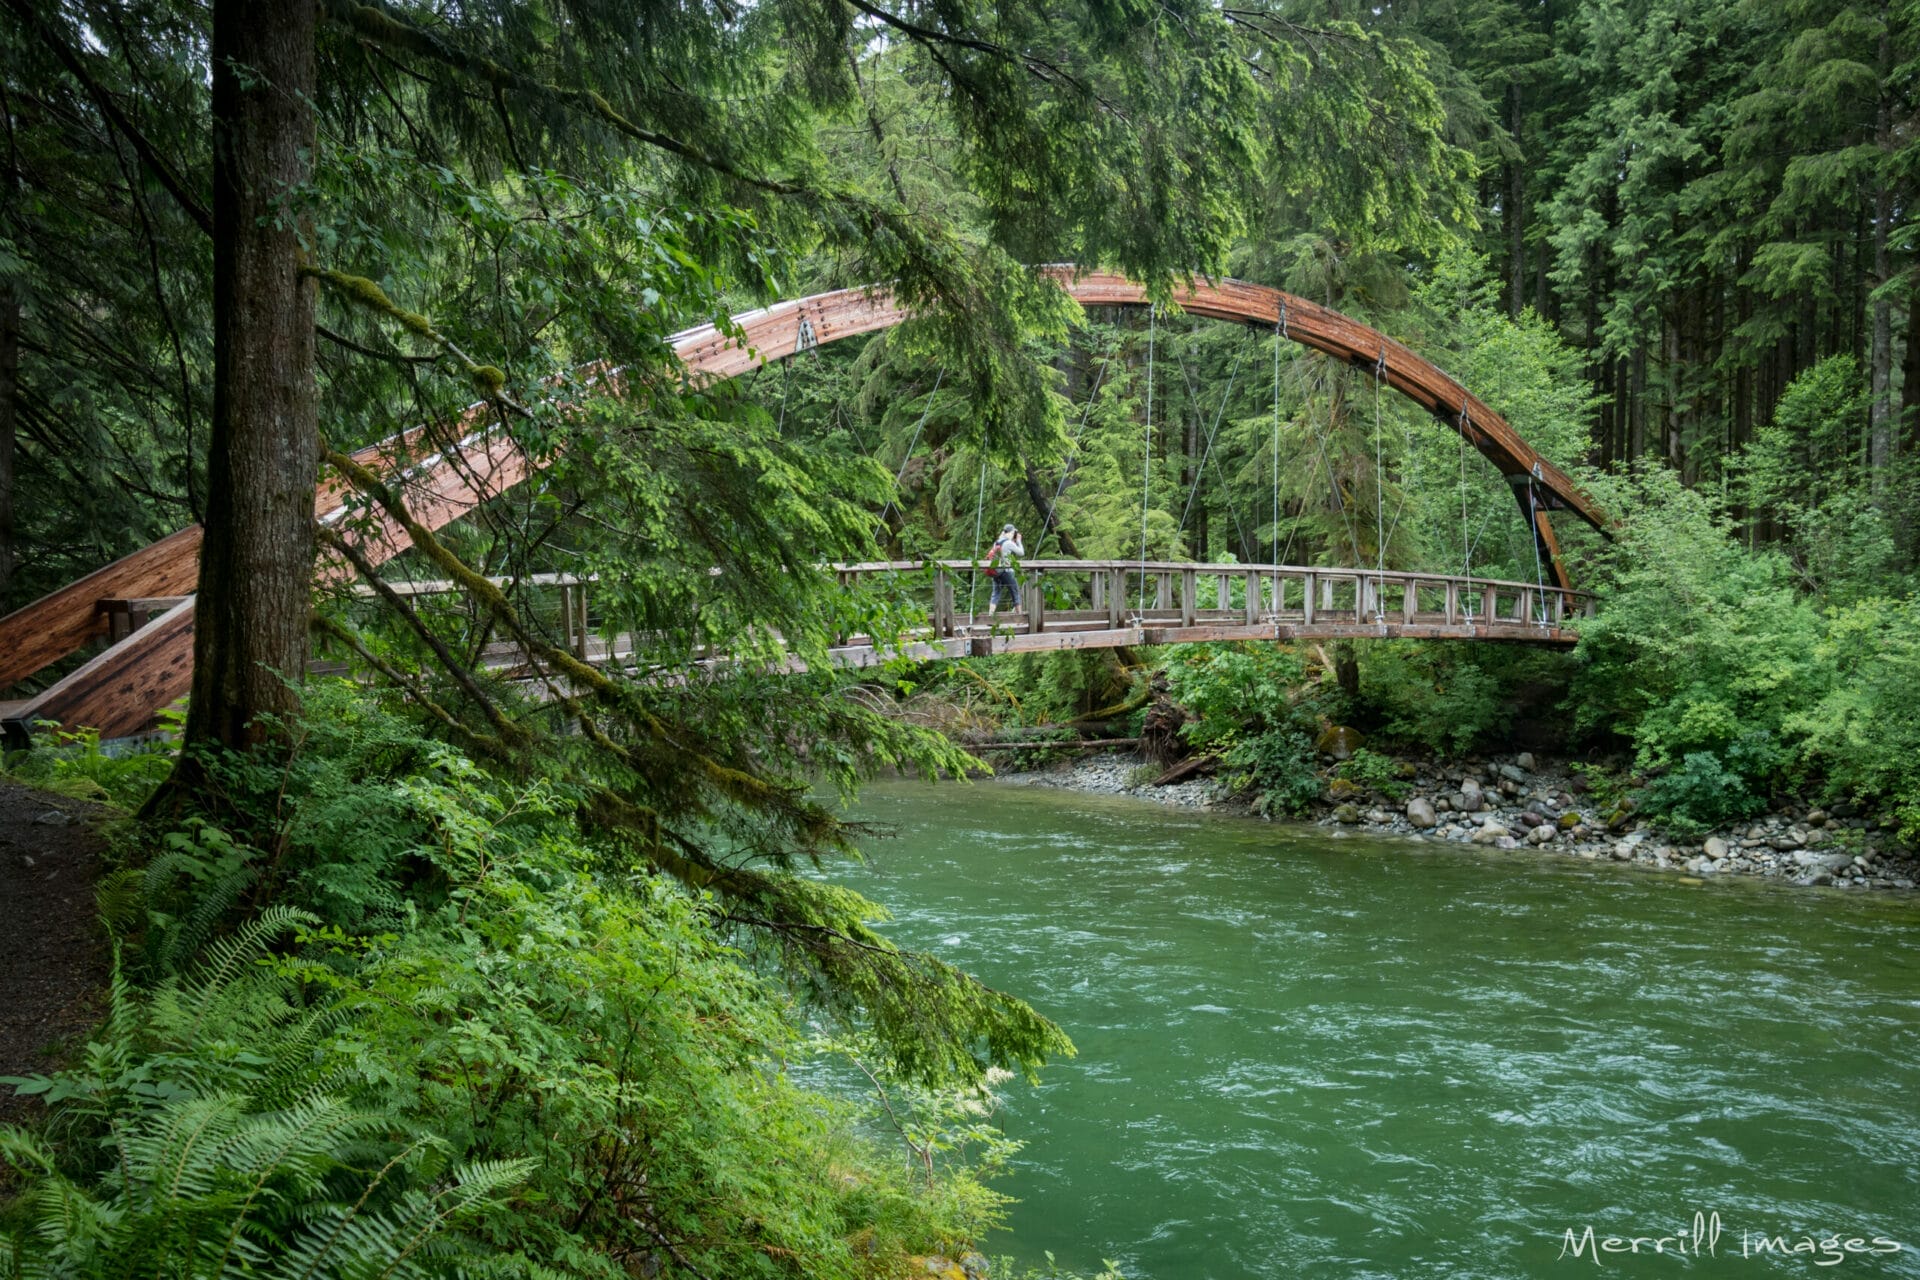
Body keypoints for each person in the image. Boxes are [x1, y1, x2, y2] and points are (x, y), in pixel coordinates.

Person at [984, 522, 1024, 616]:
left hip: (997, 571)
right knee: (1015, 592)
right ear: (1011, 532)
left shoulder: (997, 542)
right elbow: (1021, 553)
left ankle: (990, 615)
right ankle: (1020, 617)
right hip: (1007, 571)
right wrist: (1018, 541)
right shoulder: (1009, 543)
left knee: (996, 593)